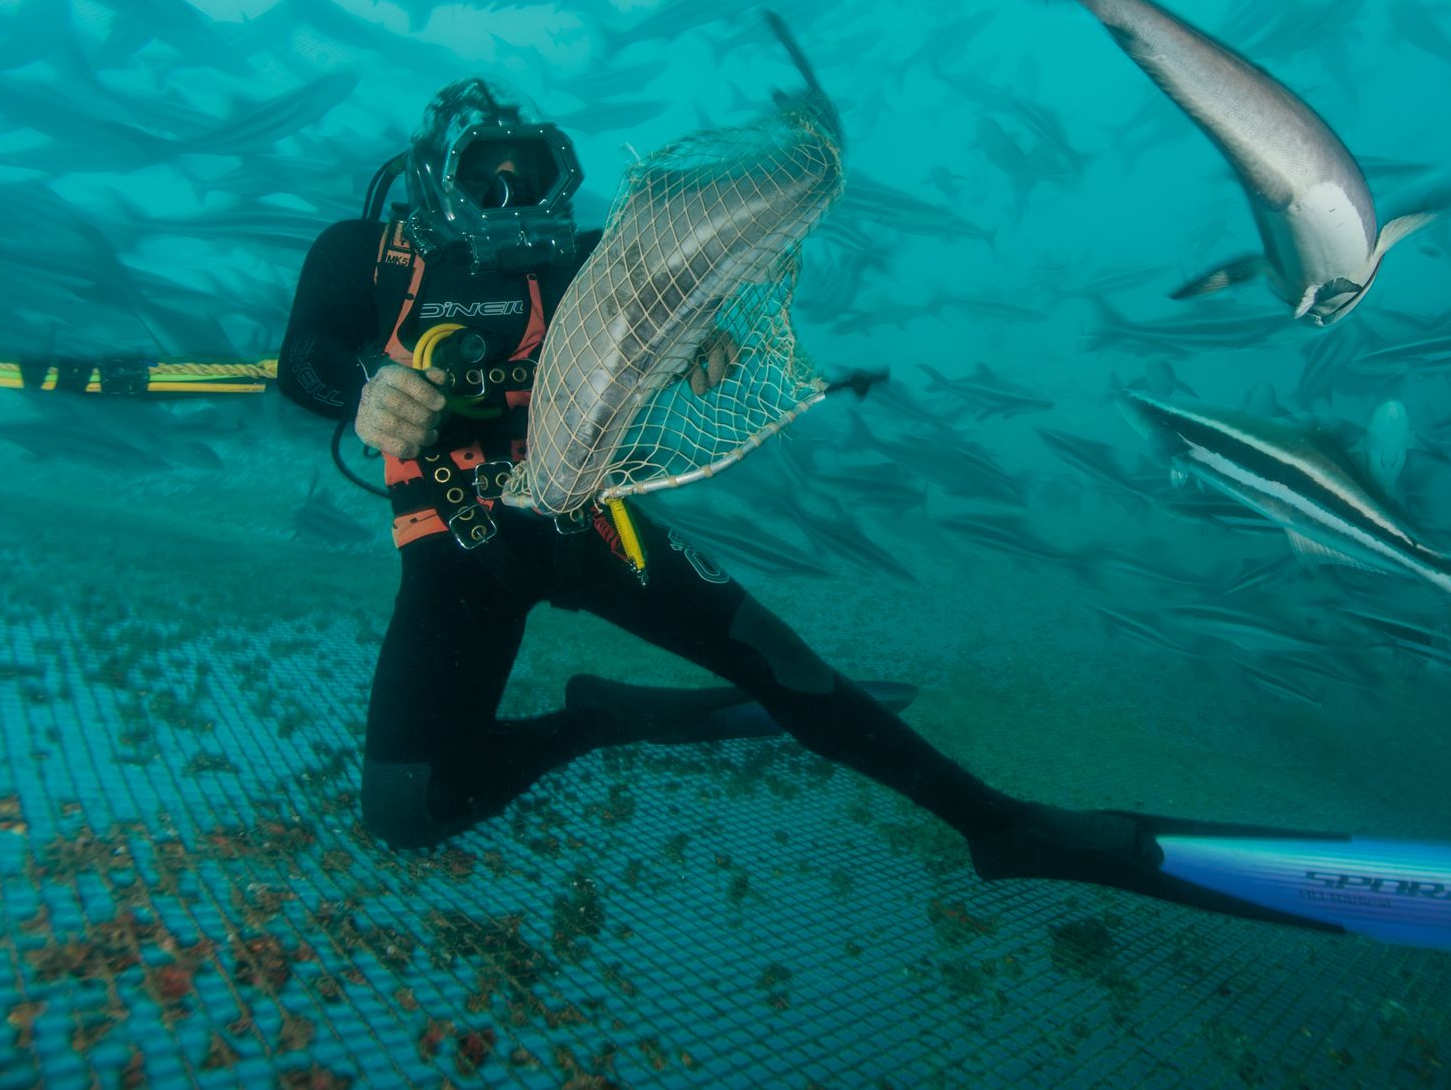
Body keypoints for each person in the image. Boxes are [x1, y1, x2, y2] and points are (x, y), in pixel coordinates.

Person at [276, 76, 1307, 928]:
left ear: (564, 173)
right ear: (433, 182)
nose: (513, 204)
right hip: (454, 547)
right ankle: (598, 721)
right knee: (409, 809)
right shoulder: (367, 259)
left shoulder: (591, 263)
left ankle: (996, 821)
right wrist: (364, 391)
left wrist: (696, 343)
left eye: (532, 177)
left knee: (786, 665)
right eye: (483, 183)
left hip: (599, 529)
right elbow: (304, 362)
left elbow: (658, 316)